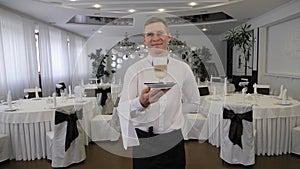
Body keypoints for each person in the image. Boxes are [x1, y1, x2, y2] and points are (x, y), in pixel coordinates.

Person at [118, 16, 200, 169]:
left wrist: (174, 112)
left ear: (168, 36)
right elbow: (123, 109)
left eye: (160, 33)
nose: (155, 38)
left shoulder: (183, 69)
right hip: (145, 141)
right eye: (150, 34)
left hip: (173, 140)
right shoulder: (134, 70)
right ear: (144, 39)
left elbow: (195, 102)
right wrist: (141, 103)